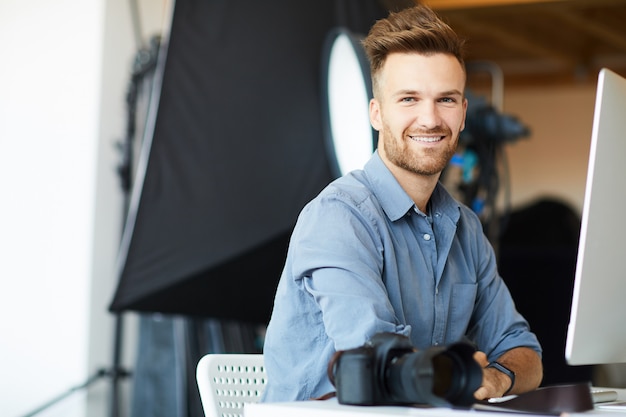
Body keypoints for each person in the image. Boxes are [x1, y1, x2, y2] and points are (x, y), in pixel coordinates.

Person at [262, 4, 542, 403]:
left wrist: (497, 379)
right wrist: (461, 374)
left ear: (463, 114)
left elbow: (524, 350)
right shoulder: (339, 218)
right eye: (409, 99)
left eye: (445, 100)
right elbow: (382, 366)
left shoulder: (466, 228)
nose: (429, 119)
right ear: (376, 113)